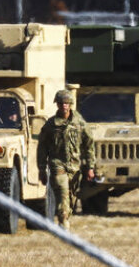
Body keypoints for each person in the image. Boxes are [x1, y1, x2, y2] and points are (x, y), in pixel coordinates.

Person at [37, 89, 96, 230]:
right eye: (61, 103)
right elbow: (42, 148)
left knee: (71, 197)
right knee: (62, 192)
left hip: (75, 167)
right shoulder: (50, 125)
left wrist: (90, 167)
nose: (64, 106)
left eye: (67, 103)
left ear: (71, 105)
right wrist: (41, 169)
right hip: (58, 165)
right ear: (57, 105)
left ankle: (66, 215)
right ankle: (63, 224)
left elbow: (89, 146)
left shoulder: (80, 123)